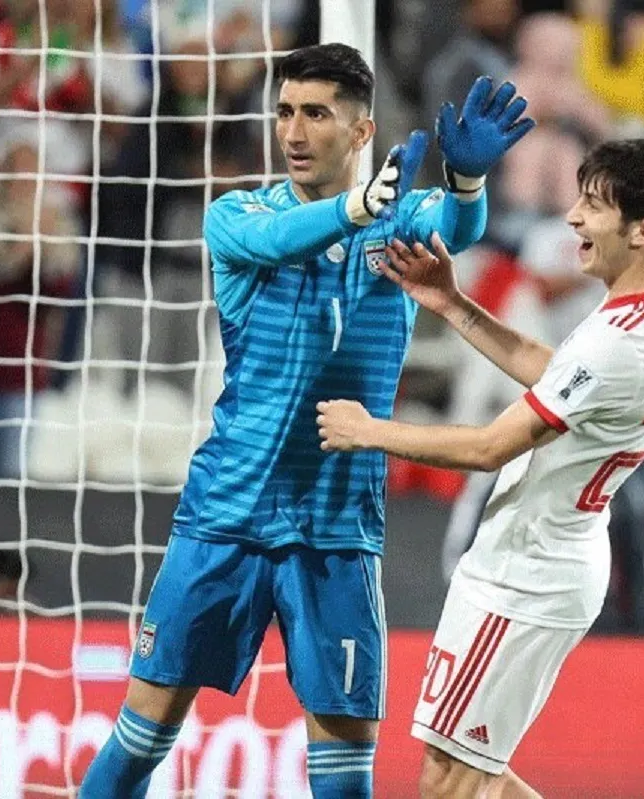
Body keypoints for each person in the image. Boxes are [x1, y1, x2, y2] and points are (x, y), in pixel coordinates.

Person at [79, 44, 534, 799]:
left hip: (334, 527)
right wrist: (358, 209)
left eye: (316, 114)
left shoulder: (398, 223)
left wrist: (466, 181)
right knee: (141, 736)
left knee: (343, 772)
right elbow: (277, 241)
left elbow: (457, 228)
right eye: (285, 111)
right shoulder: (239, 216)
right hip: (227, 513)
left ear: (361, 132)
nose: (293, 131)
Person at [318, 139, 644, 798]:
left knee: (449, 779)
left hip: (530, 573)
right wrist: (453, 304)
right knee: (471, 775)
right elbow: (560, 374)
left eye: (594, 205)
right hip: (540, 556)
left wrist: (368, 432)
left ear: (643, 230)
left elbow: (490, 448)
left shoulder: (621, 342)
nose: (573, 218)